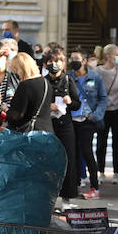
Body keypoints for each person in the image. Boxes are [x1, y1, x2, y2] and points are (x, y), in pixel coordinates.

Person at [44, 47, 81, 207]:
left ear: (63, 63)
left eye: (58, 61)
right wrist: (48, 106)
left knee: (68, 160)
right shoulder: (43, 81)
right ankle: (48, 198)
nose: (54, 64)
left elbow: (77, 104)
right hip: (48, 125)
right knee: (48, 161)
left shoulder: (68, 80)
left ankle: (67, 198)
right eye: (51, 61)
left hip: (65, 125)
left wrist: (69, 101)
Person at [72, 51, 106, 199]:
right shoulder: (68, 77)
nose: (73, 61)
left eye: (76, 59)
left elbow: (103, 98)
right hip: (72, 119)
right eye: (71, 59)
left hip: (87, 120)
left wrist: (96, 115)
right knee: (73, 153)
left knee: (87, 152)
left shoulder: (95, 77)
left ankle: (94, 187)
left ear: (84, 61)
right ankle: (75, 184)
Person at [94, 44, 118, 184]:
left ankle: (116, 172)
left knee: (117, 142)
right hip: (103, 112)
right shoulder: (97, 71)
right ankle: (100, 171)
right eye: (117, 54)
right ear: (109, 56)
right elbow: (93, 91)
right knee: (101, 143)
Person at [4, 52, 51, 133]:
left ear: (20, 69)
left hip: (29, 133)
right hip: (46, 130)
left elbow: (17, 115)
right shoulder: (46, 82)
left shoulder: (25, 85)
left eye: (15, 70)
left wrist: (5, 110)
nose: (16, 73)